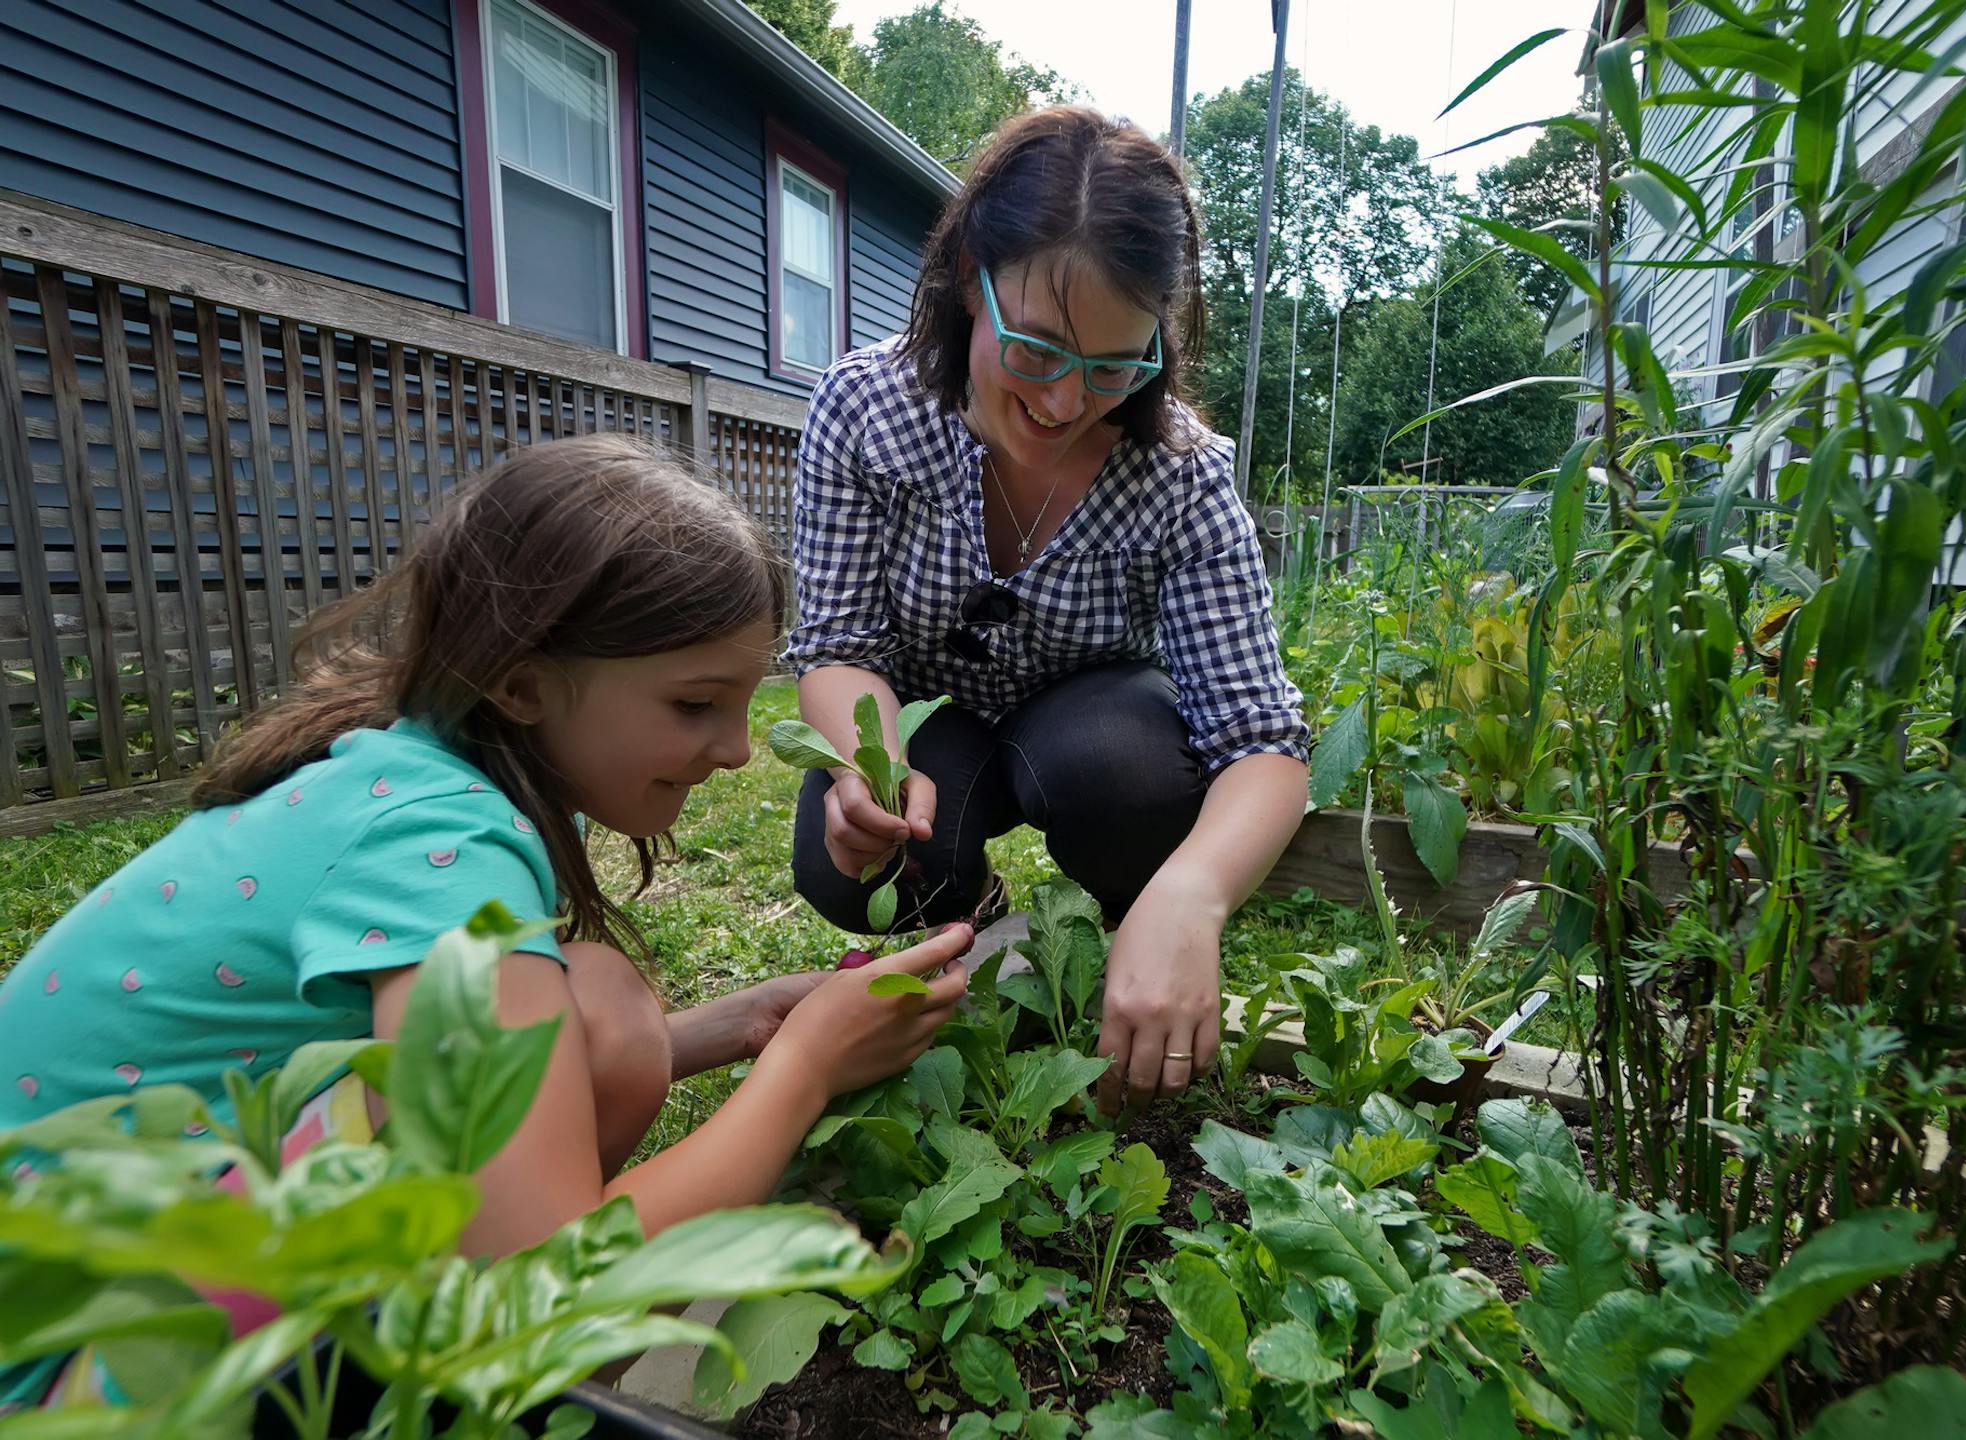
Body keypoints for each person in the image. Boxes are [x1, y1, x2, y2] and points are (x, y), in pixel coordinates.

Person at [0, 434, 972, 1410]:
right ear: (520, 684)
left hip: (101, 1284)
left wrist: (743, 1027)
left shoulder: (408, 773)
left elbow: (486, 1058)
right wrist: (801, 1070)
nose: (732, 750)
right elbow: (540, 1293)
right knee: (592, 1050)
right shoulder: (440, 848)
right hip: (63, 1372)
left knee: (602, 1010)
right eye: (693, 704)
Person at [786, 106, 1311, 1117]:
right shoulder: (864, 409)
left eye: (1116, 366)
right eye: (1035, 349)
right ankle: (975, 908)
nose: (1069, 403)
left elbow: (1262, 742)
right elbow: (840, 645)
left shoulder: (1180, 474)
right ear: (967, 279)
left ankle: (1132, 935)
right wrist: (868, 763)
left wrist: (1193, 894)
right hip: (935, 724)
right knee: (840, 858)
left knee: (1127, 766)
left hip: (1091, 727)